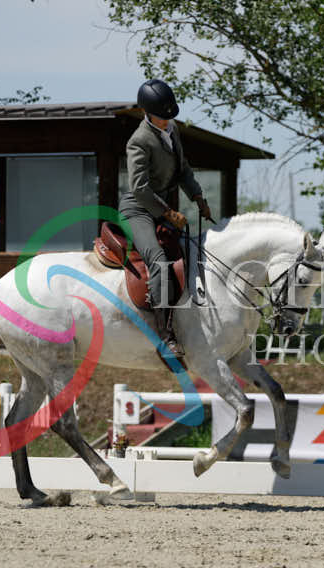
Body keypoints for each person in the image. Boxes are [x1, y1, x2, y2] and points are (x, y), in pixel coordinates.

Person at [119, 79, 212, 358]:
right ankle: (165, 337)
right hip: (138, 209)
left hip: (159, 208)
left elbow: (183, 169)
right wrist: (169, 213)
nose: (166, 120)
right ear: (147, 113)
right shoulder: (139, 141)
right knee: (158, 261)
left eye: (169, 116)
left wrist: (198, 197)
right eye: (161, 116)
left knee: (192, 251)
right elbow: (140, 188)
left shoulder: (172, 130)